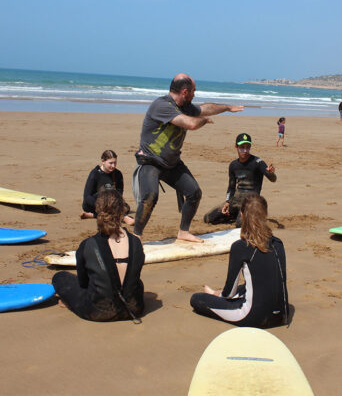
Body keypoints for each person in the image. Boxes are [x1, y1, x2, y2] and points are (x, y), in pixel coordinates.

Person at [134, 73, 243, 243]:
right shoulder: (161, 105)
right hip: (151, 161)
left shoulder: (186, 106)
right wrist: (204, 120)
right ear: (185, 92)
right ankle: (136, 235)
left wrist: (227, 107)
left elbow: (207, 108)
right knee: (150, 196)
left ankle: (183, 232)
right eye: (193, 91)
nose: (194, 95)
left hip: (172, 164)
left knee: (194, 193)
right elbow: (191, 124)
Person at [191, 194, 289, 328]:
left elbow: (229, 294)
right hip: (282, 315)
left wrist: (219, 295)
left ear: (242, 215)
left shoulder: (240, 247)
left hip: (254, 317)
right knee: (248, 286)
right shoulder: (278, 243)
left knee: (197, 299)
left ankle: (215, 294)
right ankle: (218, 293)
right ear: (266, 214)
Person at [53, 190, 145, 322]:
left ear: (98, 213)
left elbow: (83, 283)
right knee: (137, 282)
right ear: (122, 213)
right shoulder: (136, 242)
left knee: (60, 277)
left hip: (98, 311)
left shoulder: (87, 244)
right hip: (134, 309)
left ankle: (68, 302)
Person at [203, 133, 277, 227]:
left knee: (239, 224)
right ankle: (236, 213)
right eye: (242, 147)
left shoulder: (258, 162)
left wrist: (271, 173)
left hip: (251, 201)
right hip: (236, 200)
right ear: (236, 147)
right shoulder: (233, 165)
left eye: (248, 147)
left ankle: (252, 214)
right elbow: (231, 187)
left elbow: (273, 179)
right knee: (208, 218)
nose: (245, 150)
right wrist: (227, 202)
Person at [81, 150, 134, 225]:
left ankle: (93, 215)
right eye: (110, 163)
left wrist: (113, 204)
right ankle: (124, 218)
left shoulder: (118, 174)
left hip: (111, 203)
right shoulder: (95, 174)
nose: (113, 166)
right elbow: (87, 196)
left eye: (115, 163)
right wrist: (101, 205)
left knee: (126, 207)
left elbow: (119, 193)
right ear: (103, 161)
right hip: (94, 203)